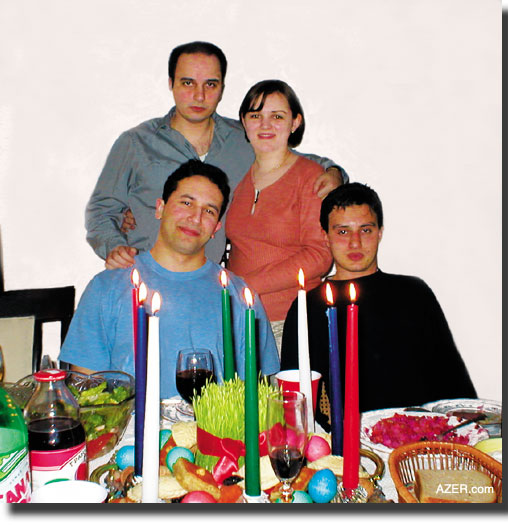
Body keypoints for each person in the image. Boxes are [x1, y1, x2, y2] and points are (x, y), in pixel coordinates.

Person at [86, 41, 345, 270]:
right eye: (188, 83)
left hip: (212, 288)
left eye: (211, 84)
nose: (200, 95)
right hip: (144, 280)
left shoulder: (244, 139)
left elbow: (291, 161)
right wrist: (116, 247)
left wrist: (333, 172)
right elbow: (101, 211)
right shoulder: (136, 143)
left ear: (222, 87)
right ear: (170, 84)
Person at [60, 160, 280, 399]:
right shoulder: (107, 287)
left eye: (209, 210)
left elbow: (259, 394)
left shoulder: (241, 296)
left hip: (213, 433)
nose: (195, 218)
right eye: (186, 203)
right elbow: (88, 394)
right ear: (160, 208)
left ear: (216, 227)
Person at [280, 182, 477, 429]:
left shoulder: (414, 293)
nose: (355, 243)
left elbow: (453, 381)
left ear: (380, 232)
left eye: (365, 230)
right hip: (348, 446)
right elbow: (297, 400)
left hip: (424, 441)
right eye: (342, 232)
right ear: (325, 235)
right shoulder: (309, 306)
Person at [226, 80, 333, 352]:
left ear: (295, 122)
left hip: (291, 320)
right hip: (243, 316)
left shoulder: (310, 178)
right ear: (244, 122)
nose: (265, 125)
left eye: (277, 116)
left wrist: (251, 284)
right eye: (255, 116)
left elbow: (320, 256)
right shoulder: (238, 178)